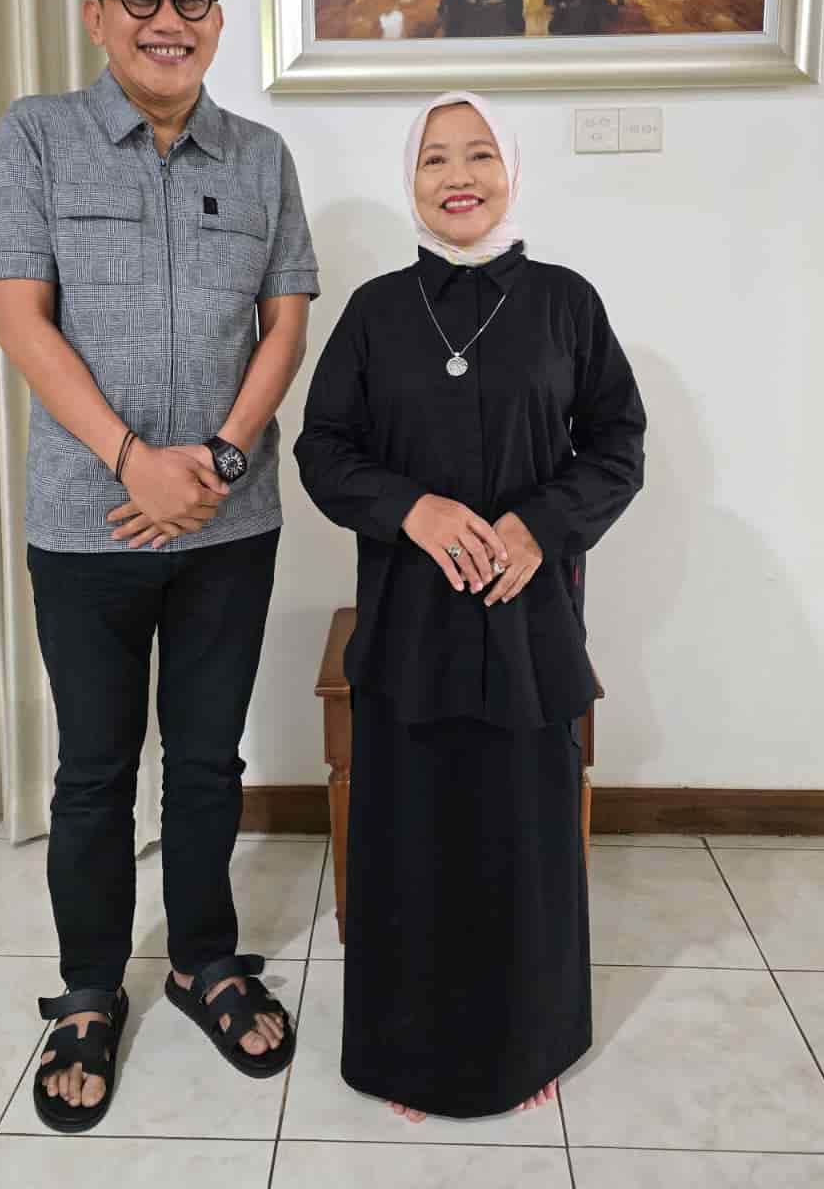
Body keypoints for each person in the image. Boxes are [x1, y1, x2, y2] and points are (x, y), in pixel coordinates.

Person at [0, 0, 319, 1131]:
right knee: (94, 769)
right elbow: (21, 319)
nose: (167, 19)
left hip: (230, 521)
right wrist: (134, 461)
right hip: (88, 524)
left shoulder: (262, 156)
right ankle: (87, 990)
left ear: (217, 19)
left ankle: (203, 960)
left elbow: (286, 320)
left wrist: (215, 459)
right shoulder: (38, 136)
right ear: (96, 14)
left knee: (210, 761)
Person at [294, 91, 646, 1121]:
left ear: (512, 170)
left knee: (524, 845)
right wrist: (412, 508)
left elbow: (616, 445)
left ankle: (529, 1046)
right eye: (435, 158)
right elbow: (323, 449)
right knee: (414, 846)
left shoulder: (567, 303)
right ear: (410, 180)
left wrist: (540, 525)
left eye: (480, 154)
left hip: (529, 625)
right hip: (412, 623)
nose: (459, 176)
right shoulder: (374, 312)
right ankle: (408, 1060)